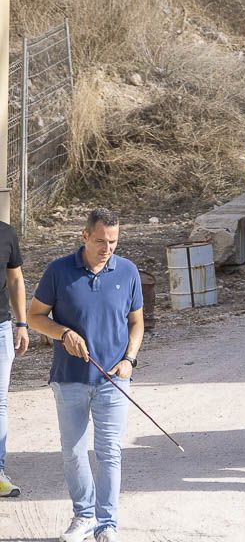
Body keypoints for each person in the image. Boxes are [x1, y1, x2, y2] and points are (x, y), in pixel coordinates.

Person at [27, 209, 143, 542]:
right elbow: (36, 316)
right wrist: (62, 333)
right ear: (84, 236)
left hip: (113, 380)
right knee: (74, 451)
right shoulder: (58, 271)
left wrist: (130, 360)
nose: (107, 248)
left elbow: (137, 322)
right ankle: (84, 516)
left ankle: (107, 524)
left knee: (110, 452)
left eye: (113, 241)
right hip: (69, 379)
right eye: (100, 241)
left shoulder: (128, 271)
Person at [0, 218, 25, 498]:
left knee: (0, 402)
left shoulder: (6, 233)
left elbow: (16, 278)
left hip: (1, 328)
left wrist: (21, 323)